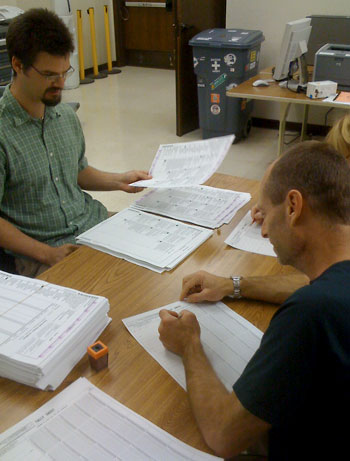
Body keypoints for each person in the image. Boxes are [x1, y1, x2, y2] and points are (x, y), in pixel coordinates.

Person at [158, 141, 350, 460]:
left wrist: (189, 345)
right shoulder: (334, 280)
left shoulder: (311, 313)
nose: (264, 232)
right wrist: (234, 285)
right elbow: (314, 282)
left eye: (266, 212)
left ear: (292, 206)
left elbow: (223, 434)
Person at [0, 8, 151, 277]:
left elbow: (77, 172)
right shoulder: (3, 131)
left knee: (158, 257)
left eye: (64, 71)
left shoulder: (65, 116)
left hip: (92, 224)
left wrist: (120, 180)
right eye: (49, 75)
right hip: (45, 248)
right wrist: (48, 254)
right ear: (18, 65)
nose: (61, 83)